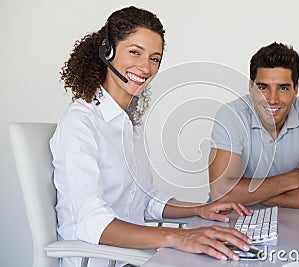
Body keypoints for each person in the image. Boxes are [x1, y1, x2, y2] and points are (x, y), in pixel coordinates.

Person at [50, 6, 253, 267]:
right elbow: (92, 223)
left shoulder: (130, 125)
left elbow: (145, 200)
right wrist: (177, 237)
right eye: (135, 52)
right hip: (102, 261)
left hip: (133, 259)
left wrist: (198, 209)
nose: (145, 67)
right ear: (107, 50)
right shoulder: (80, 122)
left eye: (155, 58)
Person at [208, 42, 299, 209]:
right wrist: (291, 179)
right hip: (231, 216)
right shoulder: (231, 114)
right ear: (250, 88)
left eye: (282, 88)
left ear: (295, 90)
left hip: (291, 216)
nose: (272, 99)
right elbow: (221, 193)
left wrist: (248, 195)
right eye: (263, 87)